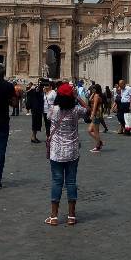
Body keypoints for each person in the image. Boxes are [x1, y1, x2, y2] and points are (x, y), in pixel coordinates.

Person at [45, 83, 87, 226]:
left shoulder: (53, 110)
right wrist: (77, 97)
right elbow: (87, 109)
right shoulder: (76, 110)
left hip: (56, 151)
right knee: (71, 182)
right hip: (72, 151)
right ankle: (71, 216)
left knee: (57, 182)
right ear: (71, 97)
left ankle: (54, 216)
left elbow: (48, 117)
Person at [87, 83, 104, 152]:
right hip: (96, 114)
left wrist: (92, 114)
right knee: (89, 130)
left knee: (95, 131)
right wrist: (93, 93)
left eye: (93, 88)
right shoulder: (95, 95)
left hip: (96, 114)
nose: (92, 89)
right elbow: (90, 99)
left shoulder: (97, 96)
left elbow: (95, 105)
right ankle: (99, 142)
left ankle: (98, 146)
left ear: (95, 89)